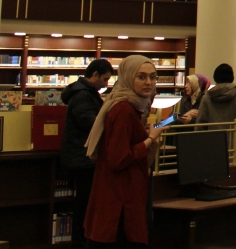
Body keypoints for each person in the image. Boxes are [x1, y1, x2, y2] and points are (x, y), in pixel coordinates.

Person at [83, 55, 164, 248]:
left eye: (153, 77)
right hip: (119, 201)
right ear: (128, 77)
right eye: (141, 77)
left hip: (119, 196)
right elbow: (118, 159)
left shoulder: (130, 105)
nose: (149, 82)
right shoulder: (124, 110)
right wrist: (150, 140)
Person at [61, 58, 113, 248]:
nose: (105, 84)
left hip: (82, 156)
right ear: (94, 75)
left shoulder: (85, 93)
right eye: (104, 79)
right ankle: (81, 241)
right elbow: (91, 123)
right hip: (83, 158)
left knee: (85, 202)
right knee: (84, 203)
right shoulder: (83, 96)